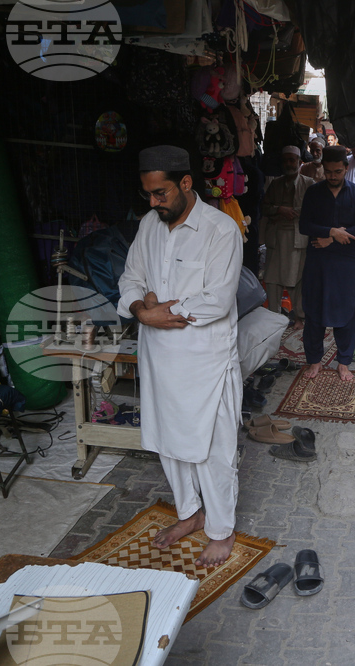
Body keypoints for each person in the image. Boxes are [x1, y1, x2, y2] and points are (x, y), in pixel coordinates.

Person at [118, 145, 242, 567]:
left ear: (186, 184)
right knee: (170, 445)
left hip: (205, 361)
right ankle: (190, 514)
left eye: (161, 194)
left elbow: (218, 300)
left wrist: (161, 309)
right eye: (148, 195)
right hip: (160, 356)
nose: (154, 203)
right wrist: (141, 310)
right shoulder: (148, 225)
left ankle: (221, 531)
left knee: (212, 447)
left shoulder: (221, 230)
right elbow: (131, 277)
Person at [300, 146, 355, 381]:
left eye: (338, 171)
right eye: (329, 172)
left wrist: (336, 236)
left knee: (346, 309)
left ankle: (344, 362)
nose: (332, 176)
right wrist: (329, 231)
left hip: (345, 259)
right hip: (318, 258)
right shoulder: (314, 192)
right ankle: (314, 361)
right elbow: (304, 225)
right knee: (314, 307)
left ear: (346, 168)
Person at [263, 145, 316, 326]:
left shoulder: (309, 184)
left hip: (297, 239)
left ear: (299, 162)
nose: (288, 164)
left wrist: (292, 211)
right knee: (272, 278)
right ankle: (274, 316)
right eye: (285, 160)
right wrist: (279, 209)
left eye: (291, 160)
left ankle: (300, 315)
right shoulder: (275, 184)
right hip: (276, 239)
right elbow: (264, 207)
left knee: (297, 279)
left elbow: (315, 210)